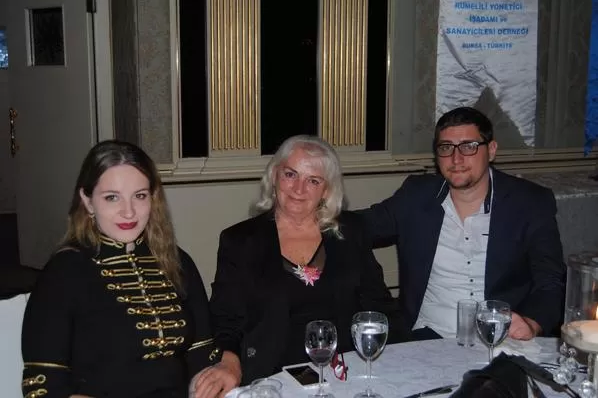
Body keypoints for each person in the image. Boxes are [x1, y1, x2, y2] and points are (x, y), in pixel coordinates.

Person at [21, 140, 240, 398]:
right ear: (88, 201)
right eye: (112, 197)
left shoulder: (176, 260)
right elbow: (43, 385)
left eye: (140, 195)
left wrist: (215, 379)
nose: (129, 212)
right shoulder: (63, 273)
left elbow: (202, 354)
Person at [209, 135, 407, 384]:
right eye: (290, 174)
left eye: (313, 180)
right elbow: (226, 319)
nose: (298, 189)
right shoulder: (239, 241)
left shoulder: (352, 231)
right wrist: (228, 361)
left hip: (345, 370)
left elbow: (379, 307)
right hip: (270, 374)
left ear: (327, 190)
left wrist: (402, 363)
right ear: (274, 176)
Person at [358, 107, 566, 341]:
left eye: (469, 146)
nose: (456, 159)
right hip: (427, 337)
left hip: (501, 338)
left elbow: (550, 281)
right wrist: (322, 208)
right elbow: (359, 226)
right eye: (446, 148)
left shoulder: (529, 202)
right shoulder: (416, 196)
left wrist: (531, 323)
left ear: (492, 150)